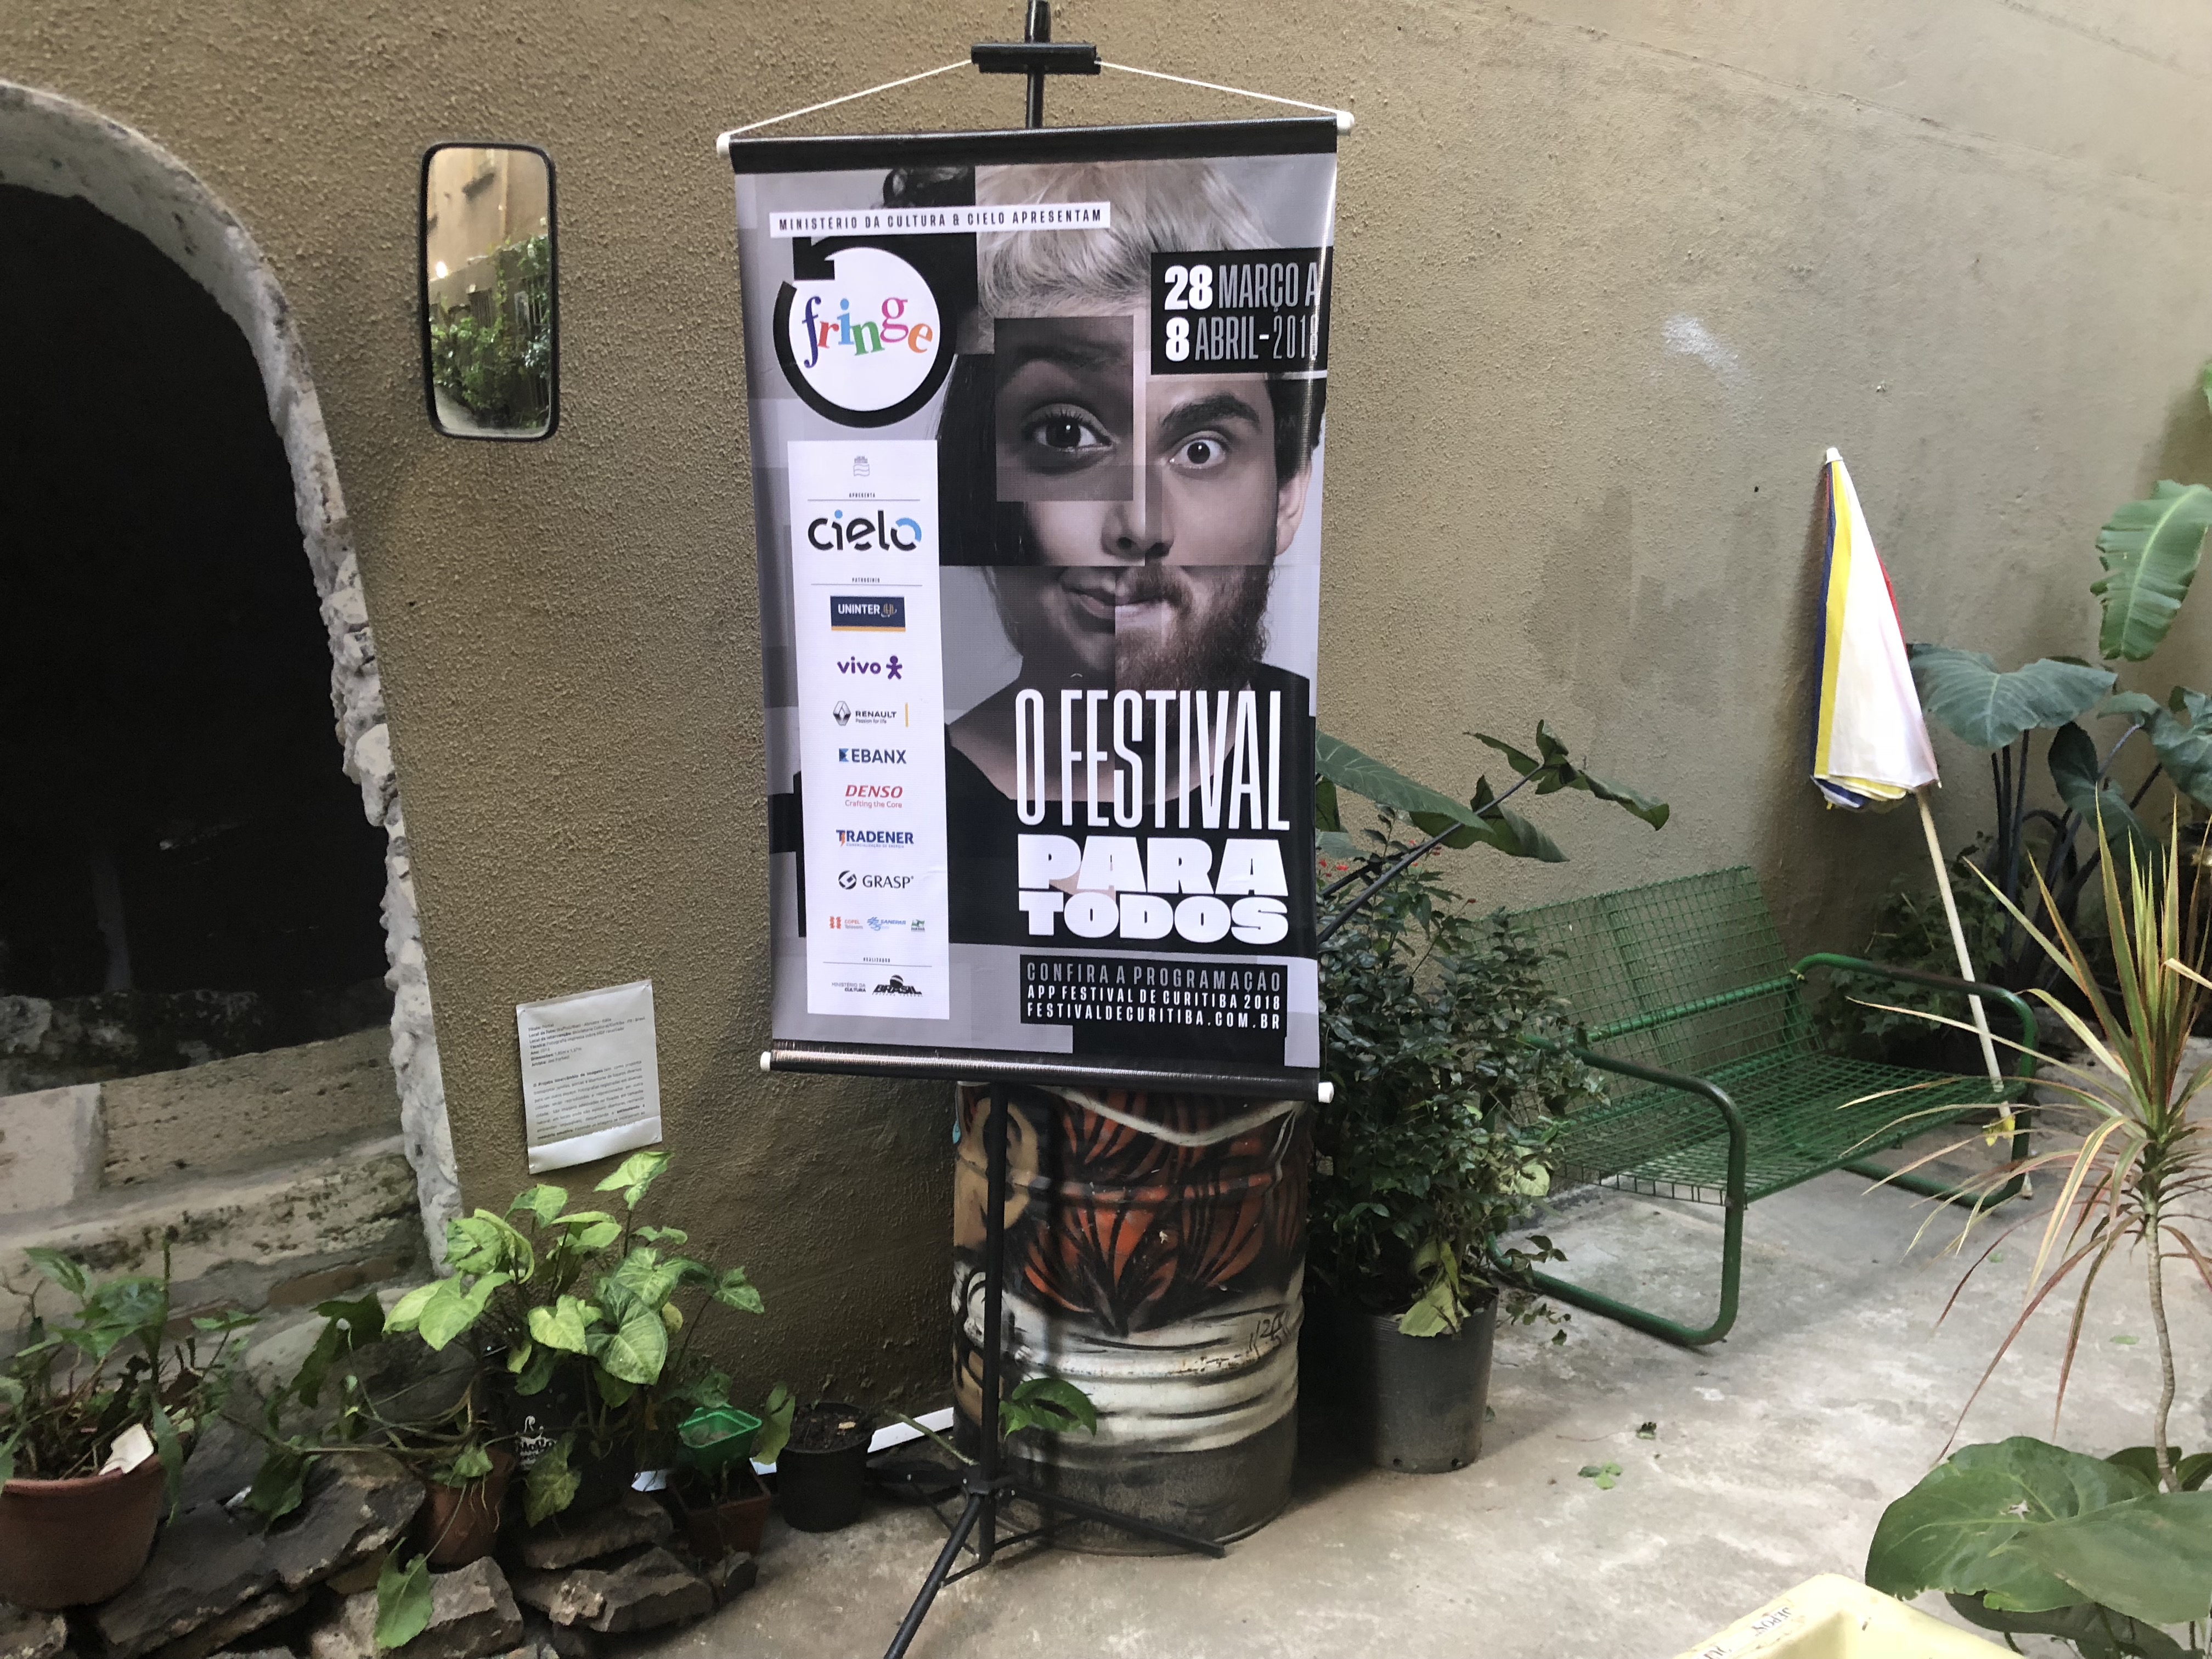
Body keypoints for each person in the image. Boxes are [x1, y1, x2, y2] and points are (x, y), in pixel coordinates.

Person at [920, 159, 1324, 962]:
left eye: (1202, 447)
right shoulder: (892, 817)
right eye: (1068, 434)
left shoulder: (1302, 756)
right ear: (975, 480)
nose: (1140, 524)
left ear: (1287, 494)